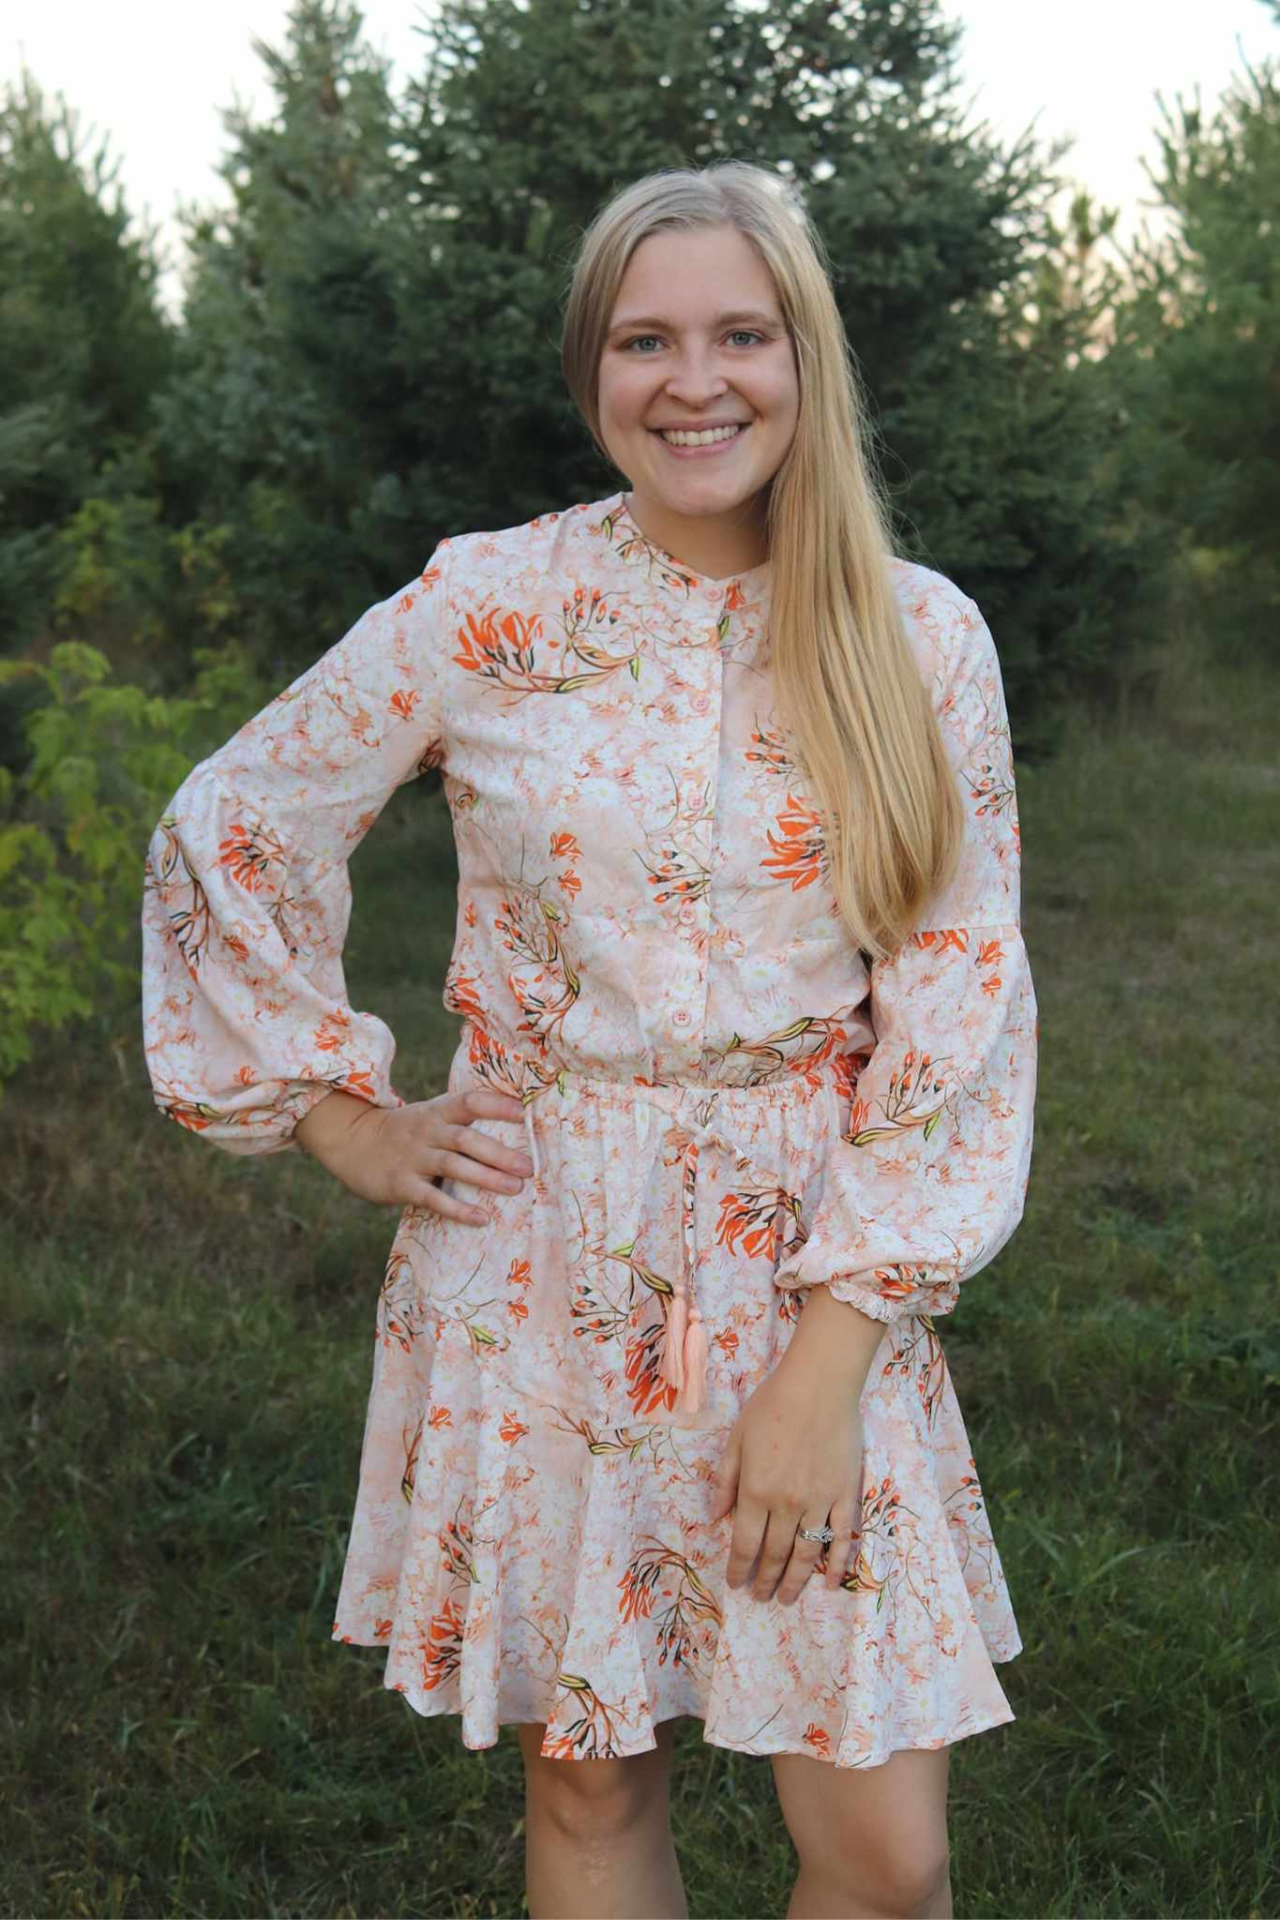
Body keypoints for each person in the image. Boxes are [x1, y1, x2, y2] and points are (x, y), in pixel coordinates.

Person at [140, 159, 1038, 1920]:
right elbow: (234, 820)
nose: (693, 380)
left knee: (886, 1856)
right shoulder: (490, 607)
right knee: (591, 1787)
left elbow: (960, 1006)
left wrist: (831, 1365)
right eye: (645, 339)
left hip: (814, 1264)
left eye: (738, 335)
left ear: (805, 359)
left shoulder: (917, 636)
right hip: (540, 1251)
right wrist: (338, 1112)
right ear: (590, 370)